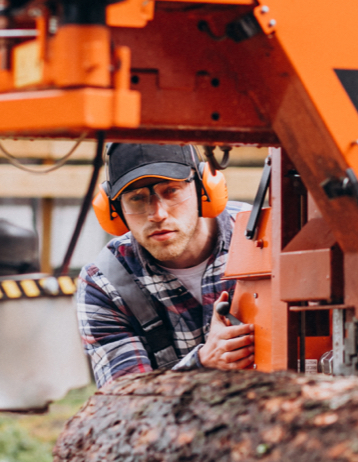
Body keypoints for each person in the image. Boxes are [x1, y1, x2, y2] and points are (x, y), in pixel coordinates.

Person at [77, 143, 255, 388]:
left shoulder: (262, 238)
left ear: (205, 189)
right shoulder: (103, 283)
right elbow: (124, 402)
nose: (158, 214)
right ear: (114, 211)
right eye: (137, 198)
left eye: (171, 191)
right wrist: (202, 362)